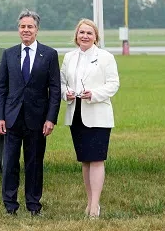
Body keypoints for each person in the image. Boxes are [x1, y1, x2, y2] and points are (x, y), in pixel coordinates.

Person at [0, 9, 60, 217]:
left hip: (37, 120)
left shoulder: (49, 55)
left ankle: (33, 205)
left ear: (37, 30)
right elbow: (1, 89)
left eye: (30, 27)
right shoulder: (9, 54)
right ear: (18, 29)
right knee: (10, 164)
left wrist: (51, 118)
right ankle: (10, 206)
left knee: (34, 164)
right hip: (12, 119)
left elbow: (55, 89)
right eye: (22, 26)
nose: (26, 30)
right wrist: (0, 117)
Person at [60, 18, 120, 219]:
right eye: (81, 33)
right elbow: (60, 83)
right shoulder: (69, 57)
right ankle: (89, 201)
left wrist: (94, 94)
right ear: (76, 36)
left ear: (96, 37)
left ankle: (95, 206)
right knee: (85, 161)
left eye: (89, 33)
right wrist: (65, 93)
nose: (85, 36)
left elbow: (113, 84)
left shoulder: (105, 57)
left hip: (98, 116)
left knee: (96, 159)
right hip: (76, 114)